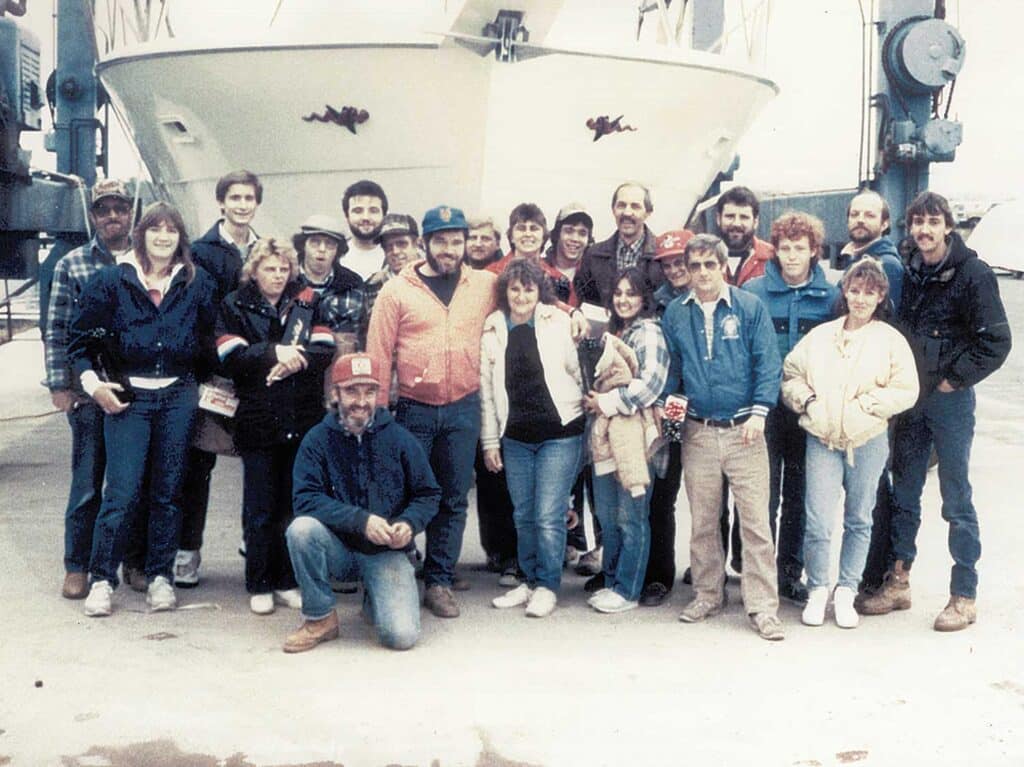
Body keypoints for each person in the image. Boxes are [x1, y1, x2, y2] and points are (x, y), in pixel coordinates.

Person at [860, 191, 1011, 631]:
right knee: (904, 492)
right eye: (917, 222)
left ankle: (964, 593)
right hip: (910, 401)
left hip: (949, 402)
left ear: (949, 225)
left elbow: (996, 341)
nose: (924, 230)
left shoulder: (973, 274)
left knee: (955, 498)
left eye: (932, 221)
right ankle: (899, 582)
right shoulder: (910, 272)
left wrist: (953, 379)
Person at [68, 201, 217, 617]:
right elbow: (79, 343)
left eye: (172, 230)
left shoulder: (196, 283)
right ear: (142, 234)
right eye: (156, 229)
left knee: (168, 493)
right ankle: (102, 579)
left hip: (177, 398)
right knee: (122, 492)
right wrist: (94, 385)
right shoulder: (111, 282)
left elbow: (210, 340)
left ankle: (160, 577)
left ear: (180, 238)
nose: (164, 236)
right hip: (128, 400)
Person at [366, 205, 497, 618]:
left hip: (463, 407)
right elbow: (378, 353)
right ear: (424, 244)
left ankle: (439, 580)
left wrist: (573, 315)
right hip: (412, 409)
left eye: (457, 240)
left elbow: (528, 298)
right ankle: (399, 567)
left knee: (453, 497)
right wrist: (376, 413)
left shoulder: (485, 284)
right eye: (441, 240)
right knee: (401, 494)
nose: (450, 249)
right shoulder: (397, 291)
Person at [781, 259, 918, 628]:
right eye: (854, 290)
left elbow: (906, 389)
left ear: (880, 296)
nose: (860, 298)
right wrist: (809, 401)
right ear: (844, 291)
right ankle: (818, 588)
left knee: (859, 518)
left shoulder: (890, 340)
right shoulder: (821, 336)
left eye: (869, 292)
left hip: (867, 440)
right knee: (818, 520)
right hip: (822, 439)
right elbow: (791, 374)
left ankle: (846, 589)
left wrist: (868, 406)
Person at [660, 234, 785, 640]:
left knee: (755, 523)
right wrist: (674, 428)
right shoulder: (676, 314)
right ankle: (709, 593)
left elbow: (768, 361)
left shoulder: (749, 307)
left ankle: (763, 606)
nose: (701, 273)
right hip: (699, 430)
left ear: (722, 267)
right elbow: (673, 375)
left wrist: (760, 412)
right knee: (702, 521)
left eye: (709, 265)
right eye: (694, 266)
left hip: (744, 430)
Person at [283, 353, 441, 652]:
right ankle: (320, 617)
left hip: (387, 552)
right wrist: (361, 521)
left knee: (400, 637)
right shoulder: (317, 439)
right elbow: (305, 499)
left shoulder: (400, 438)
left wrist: (408, 524)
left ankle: (376, 595)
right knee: (301, 530)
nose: (361, 401)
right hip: (338, 549)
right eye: (352, 390)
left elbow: (428, 494)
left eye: (369, 391)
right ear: (335, 393)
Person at [215, 238, 336, 614]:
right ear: (255, 270)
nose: (278, 275)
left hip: (301, 419)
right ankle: (260, 582)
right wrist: (273, 353)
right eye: (270, 268)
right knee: (260, 507)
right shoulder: (234, 304)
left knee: (292, 505)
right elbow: (228, 355)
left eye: (284, 269)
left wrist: (294, 361)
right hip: (258, 421)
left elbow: (325, 346)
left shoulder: (307, 301)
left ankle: (287, 580)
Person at [45, 179, 135, 599]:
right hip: (87, 392)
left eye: (119, 208)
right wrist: (60, 385)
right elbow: (59, 329)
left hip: (135, 390)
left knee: (133, 482)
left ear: (130, 213)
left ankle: (132, 558)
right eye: (104, 210)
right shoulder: (73, 264)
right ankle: (77, 564)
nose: (113, 216)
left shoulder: (144, 261)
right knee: (87, 483)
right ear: (94, 217)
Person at [742, 212, 838, 605]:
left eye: (801, 248)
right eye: (785, 248)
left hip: (806, 410)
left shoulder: (832, 296)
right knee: (760, 495)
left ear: (815, 251)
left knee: (798, 495)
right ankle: (757, 573)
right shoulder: (753, 291)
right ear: (775, 250)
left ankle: (788, 573)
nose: (792, 256)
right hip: (764, 406)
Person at [481, 260, 585, 617]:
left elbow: (578, 371)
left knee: (547, 514)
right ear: (505, 292)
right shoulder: (493, 329)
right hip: (516, 437)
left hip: (560, 433)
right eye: (514, 288)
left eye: (528, 288)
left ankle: (547, 585)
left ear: (540, 291)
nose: (521, 295)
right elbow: (487, 395)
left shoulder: (558, 323)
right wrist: (490, 442)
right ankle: (527, 580)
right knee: (523, 514)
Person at [175, 169, 263, 588]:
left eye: (249, 198)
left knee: (259, 466)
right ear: (222, 203)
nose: (243, 204)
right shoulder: (200, 251)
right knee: (199, 465)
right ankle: (187, 550)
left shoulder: (264, 250)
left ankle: (256, 548)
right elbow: (196, 314)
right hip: (213, 374)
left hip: (255, 374)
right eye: (235, 197)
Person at [582, 267, 668, 614]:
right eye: (618, 293)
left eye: (631, 293)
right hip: (605, 435)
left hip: (633, 436)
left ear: (644, 297)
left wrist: (604, 402)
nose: (623, 299)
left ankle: (628, 589)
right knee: (608, 512)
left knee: (631, 515)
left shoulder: (648, 331)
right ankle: (612, 578)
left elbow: (650, 385)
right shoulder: (614, 332)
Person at [637, 229, 694, 607]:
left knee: (711, 496)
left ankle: (711, 569)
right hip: (673, 403)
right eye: (668, 263)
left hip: (710, 405)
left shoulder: (711, 291)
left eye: (680, 261)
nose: (674, 269)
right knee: (663, 489)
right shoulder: (657, 303)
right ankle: (658, 574)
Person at [574, 182, 664, 307]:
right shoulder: (593, 255)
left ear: (648, 212)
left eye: (635, 206)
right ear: (613, 210)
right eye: (621, 205)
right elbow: (584, 301)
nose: (627, 212)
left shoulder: (662, 257)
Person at [292, 214, 365, 354]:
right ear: (303, 245)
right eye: (315, 242)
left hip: (338, 365)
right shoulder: (287, 279)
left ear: (338, 250)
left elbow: (362, 335)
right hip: (294, 364)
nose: (322, 249)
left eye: (330, 244)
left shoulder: (353, 284)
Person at [841, 190, 904, 312]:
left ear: (884, 224)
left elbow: (886, 318)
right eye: (854, 214)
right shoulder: (853, 258)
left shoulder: (887, 265)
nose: (860, 220)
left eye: (869, 215)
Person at [716, 185, 774, 287]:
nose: (736, 223)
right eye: (730, 216)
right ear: (718, 219)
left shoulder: (772, 258)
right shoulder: (704, 259)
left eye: (744, 217)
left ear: (755, 222)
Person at [544, 203, 593, 307]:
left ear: (589, 240)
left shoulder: (594, 277)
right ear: (557, 234)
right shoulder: (538, 270)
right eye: (569, 231)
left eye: (582, 233)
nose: (575, 239)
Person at [341, 179, 388, 281]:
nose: (365, 217)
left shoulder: (396, 255)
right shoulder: (335, 256)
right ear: (347, 216)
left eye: (373, 211)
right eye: (358, 211)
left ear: (384, 216)